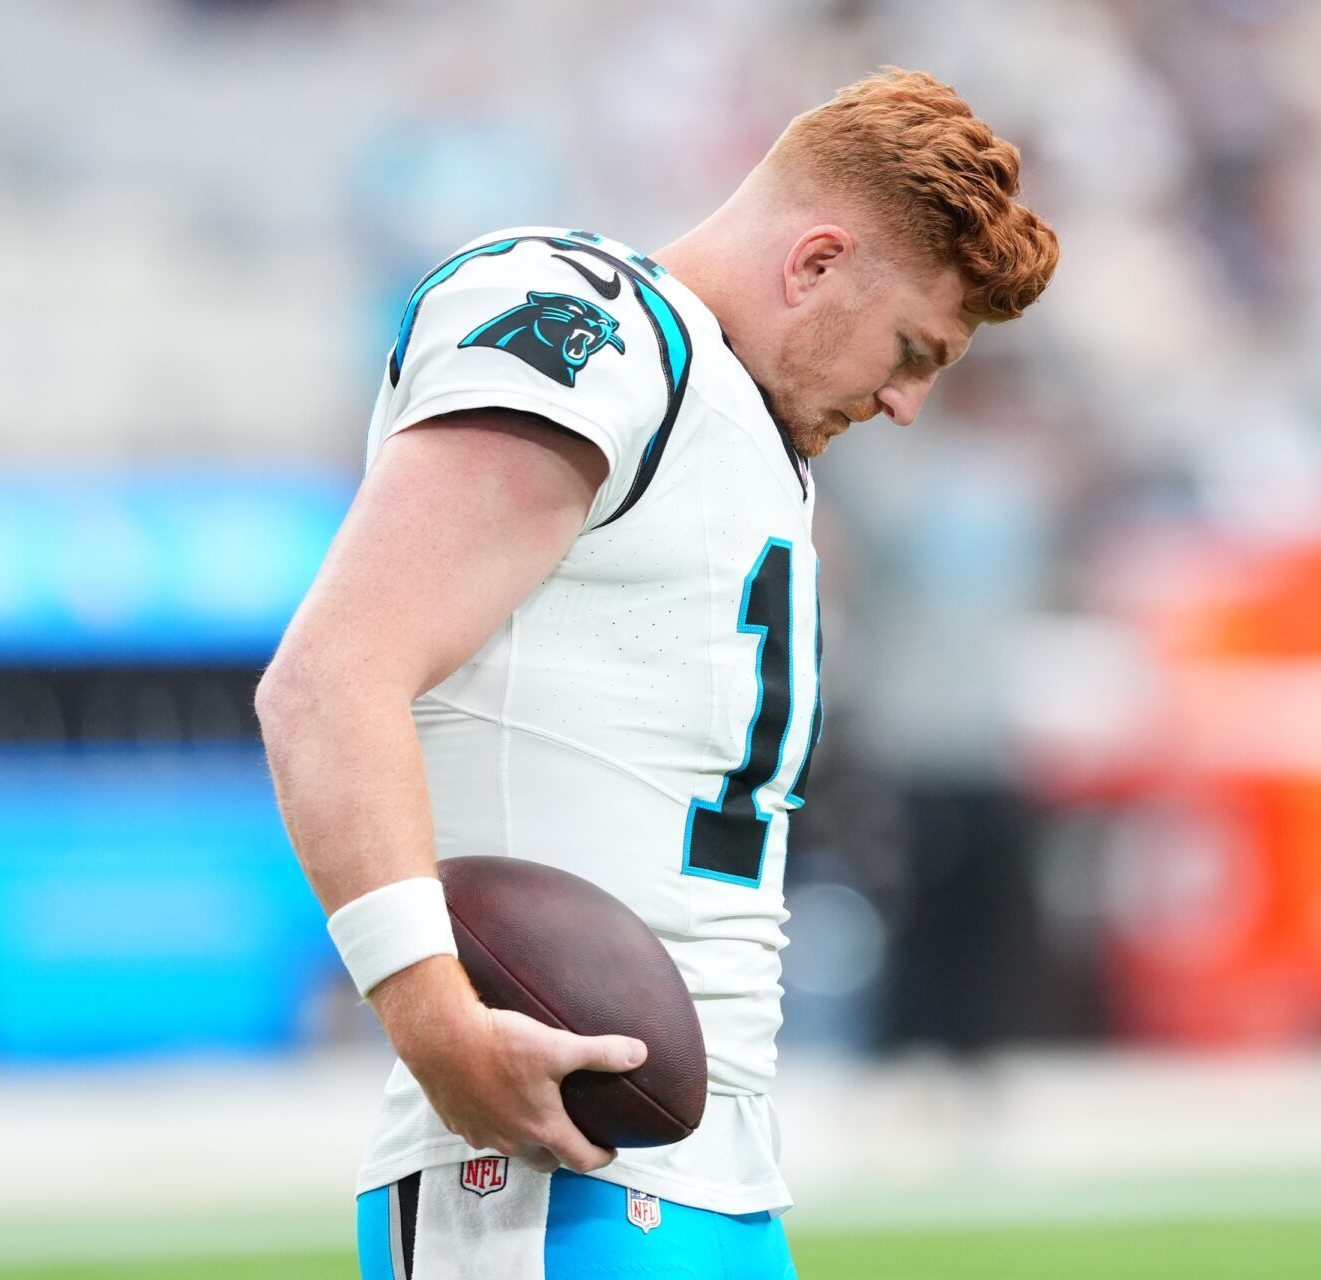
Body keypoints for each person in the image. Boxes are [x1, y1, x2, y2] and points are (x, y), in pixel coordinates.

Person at [257, 68, 1058, 1279]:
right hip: (546, 1169)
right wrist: (430, 1014)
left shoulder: (740, 419)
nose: (905, 400)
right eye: (912, 348)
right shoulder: (592, 322)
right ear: (816, 262)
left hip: (714, 1168)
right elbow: (327, 678)